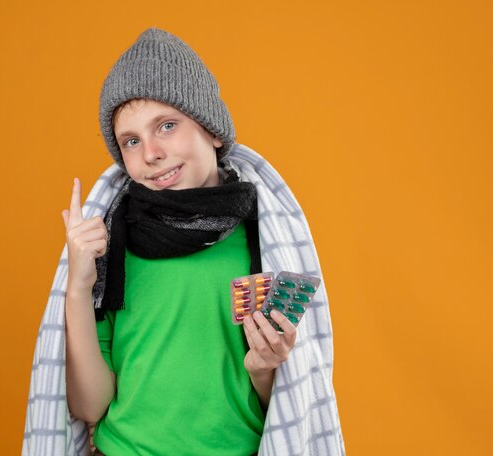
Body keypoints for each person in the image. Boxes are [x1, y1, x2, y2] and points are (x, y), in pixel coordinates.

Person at [23, 27, 345, 456]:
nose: (151, 152)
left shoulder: (264, 240)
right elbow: (89, 406)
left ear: (212, 129)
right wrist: (79, 288)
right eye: (131, 141)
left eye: (167, 126)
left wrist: (266, 368)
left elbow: (288, 411)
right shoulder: (114, 242)